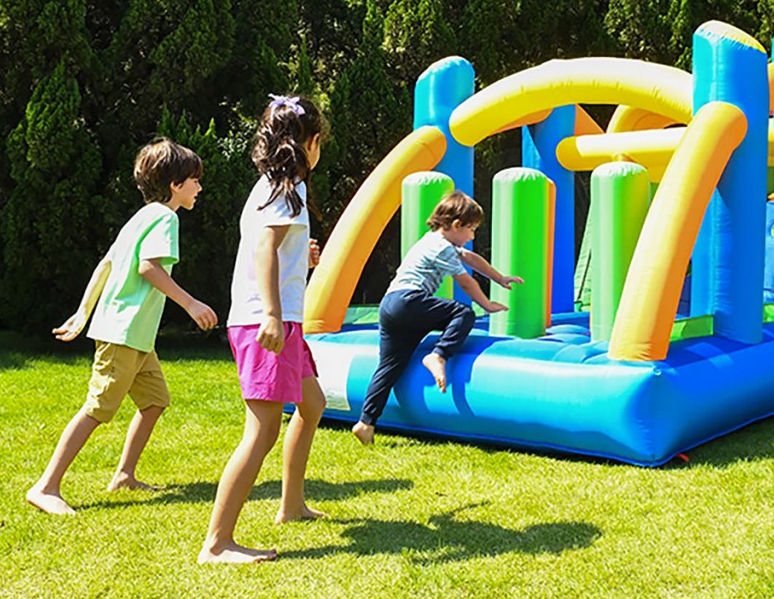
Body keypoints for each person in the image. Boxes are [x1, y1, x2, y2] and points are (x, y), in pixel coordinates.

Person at [26, 138, 218, 516]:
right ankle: (45, 486)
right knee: (97, 408)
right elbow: (148, 267)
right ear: (175, 184)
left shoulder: (140, 217)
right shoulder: (166, 217)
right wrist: (191, 303)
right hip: (124, 334)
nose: (199, 187)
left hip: (136, 337)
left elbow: (106, 265)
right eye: (195, 180)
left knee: (154, 402)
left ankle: (125, 475)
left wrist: (83, 313)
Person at [199, 94, 328, 565]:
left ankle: (291, 505)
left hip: (279, 318)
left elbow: (275, 249)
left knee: (312, 404)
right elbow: (263, 251)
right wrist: (272, 313)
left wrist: (303, 261)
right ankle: (217, 543)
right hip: (265, 322)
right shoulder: (287, 189)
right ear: (310, 143)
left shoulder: (275, 187)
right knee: (262, 430)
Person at [351, 191, 523, 446]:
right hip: (409, 301)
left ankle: (366, 422)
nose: (472, 236)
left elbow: (471, 259)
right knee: (463, 313)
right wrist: (485, 304)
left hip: (390, 305)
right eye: (471, 229)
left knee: (389, 366)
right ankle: (438, 355)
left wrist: (499, 278)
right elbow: (465, 281)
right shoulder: (441, 248)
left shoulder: (434, 240)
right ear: (456, 225)